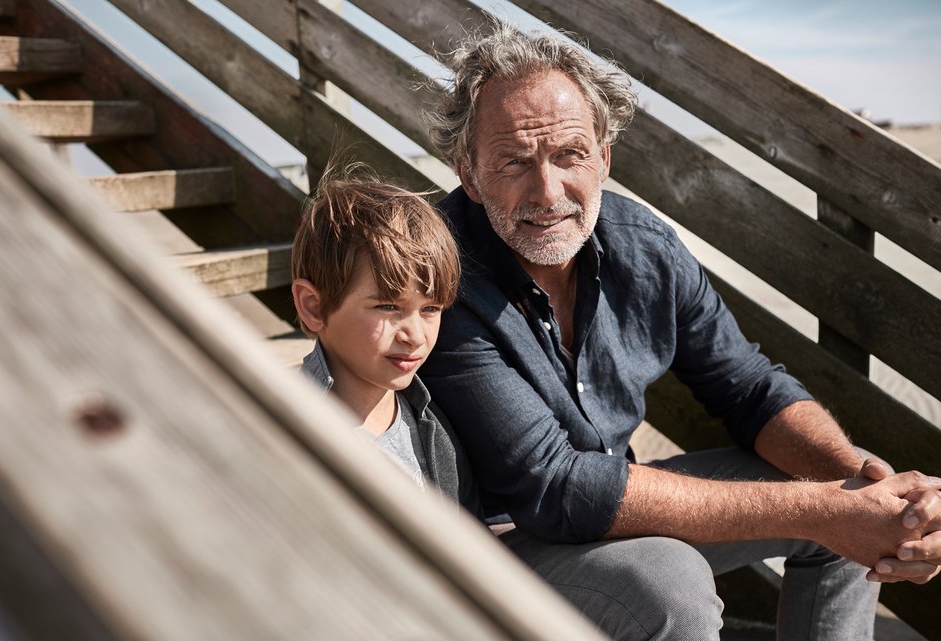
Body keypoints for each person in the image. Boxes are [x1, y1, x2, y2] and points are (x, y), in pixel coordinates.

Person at [420, 21, 941, 640]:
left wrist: (871, 491)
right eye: (513, 162)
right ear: (469, 174)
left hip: (608, 504)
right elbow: (555, 485)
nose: (548, 191)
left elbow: (749, 388)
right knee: (672, 582)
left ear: (605, 158)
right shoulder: (436, 270)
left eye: (570, 155)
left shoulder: (646, 249)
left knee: (846, 491)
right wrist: (824, 510)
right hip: (489, 544)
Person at [290, 173, 479, 515]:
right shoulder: (286, 435)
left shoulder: (436, 428)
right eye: (389, 307)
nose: (416, 336)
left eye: (431, 309)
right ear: (313, 307)